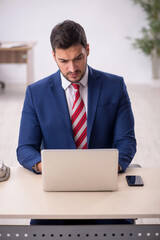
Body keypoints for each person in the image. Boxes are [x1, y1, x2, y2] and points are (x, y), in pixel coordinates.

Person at [17, 20, 136, 225]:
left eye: (78, 58)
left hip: (105, 188)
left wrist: (111, 168)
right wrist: (49, 168)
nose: (72, 68)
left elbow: (127, 141)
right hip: (56, 193)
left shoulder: (115, 86)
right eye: (63, 61)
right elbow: (25, 148)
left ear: (87, 49)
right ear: (53, 56)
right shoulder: (36, 93)